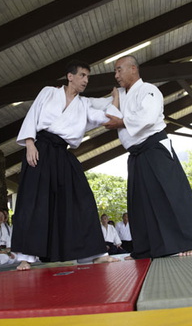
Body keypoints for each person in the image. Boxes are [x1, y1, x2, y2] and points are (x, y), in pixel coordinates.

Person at [12, 60, 119, 270]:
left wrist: (115, 98)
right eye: (82, 75)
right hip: (40, 148)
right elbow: (32, 115)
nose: (86, 80)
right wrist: (30, 143)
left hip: (62, 153)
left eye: (87, 77)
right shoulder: (49, 92)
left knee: (82, 198)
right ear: (70, 76)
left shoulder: (84, 104)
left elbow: (107, 117)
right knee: (35, 201)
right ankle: (25, 257)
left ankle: (95, 253)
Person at [104, 55, 192, 259]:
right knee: (140, 202)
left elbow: (148, 117)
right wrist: (115, 101)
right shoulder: (121, 95)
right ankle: (145, 248)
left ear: (133, 69)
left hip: (155, 148)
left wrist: (121, 122)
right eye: (115, 71)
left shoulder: (149, 90)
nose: (116, 75)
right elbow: (104, 113)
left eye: (119, 70)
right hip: (136, 154)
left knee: (173, 196)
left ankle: (191, 241)